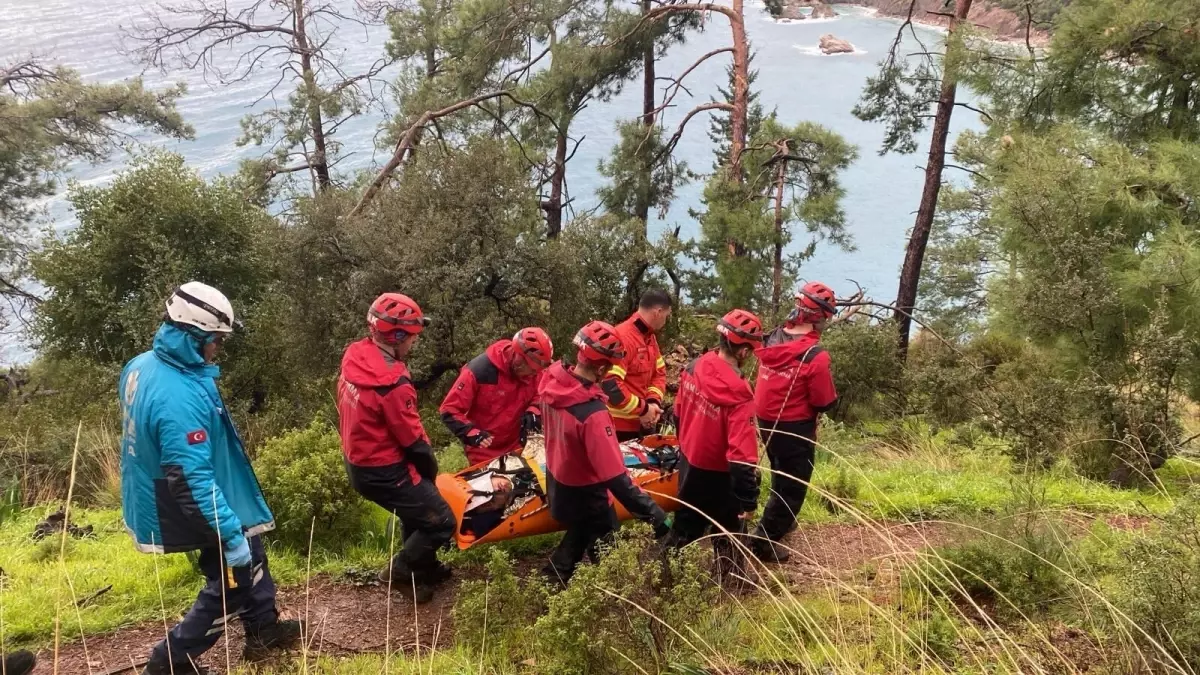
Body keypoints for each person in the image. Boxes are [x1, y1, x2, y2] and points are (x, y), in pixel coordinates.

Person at [119, 282, 302, 675]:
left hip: (161, 487)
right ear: (191, 336)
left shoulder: (143, 364)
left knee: (251, 548)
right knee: (234, 575)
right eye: (215, 339)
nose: (218, 347)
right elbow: (190, 477)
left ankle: (263, 628)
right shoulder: (176, 394)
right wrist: (230, 535)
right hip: (180, 496)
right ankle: (170, 661)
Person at [337, 292, 455, 604]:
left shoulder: (355, 357)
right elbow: (413, 440)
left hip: (359, 461)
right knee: (442, 521)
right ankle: (400, 571)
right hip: (384, 469)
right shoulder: (393, 383)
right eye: (412, 337)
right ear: (397, 335)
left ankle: (424, 570)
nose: (414, 343)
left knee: (415, 510)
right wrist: (430, 469)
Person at [541, 320, 670, 584]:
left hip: (559, 480)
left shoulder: (551, 382)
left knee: (579, 535)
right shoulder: (593, 413)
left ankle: (550, 580)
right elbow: (616, 478)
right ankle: (615, 605)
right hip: (589, 493)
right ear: (601, 367)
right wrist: (653, 514)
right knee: (610, 559)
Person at [666, 309, 764, 578]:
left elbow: (678, 412)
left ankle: (661, 577)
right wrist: (749, 499)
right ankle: (730, 582)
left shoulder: (694, 367)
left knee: (685, 525)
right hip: (720, 473)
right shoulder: (740, 395)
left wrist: (687, 443)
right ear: (743, 351)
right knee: (730, 528)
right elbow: (741, 456)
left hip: (690, 461)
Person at [750, 282, 839, 563]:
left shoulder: (772, 338)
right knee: (794, 485)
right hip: (794, 426)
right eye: (827, 316)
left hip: (765, 420)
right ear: (820, 317)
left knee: (780, 471)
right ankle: (764, 540)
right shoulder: (815, 356)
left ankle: (779, 522)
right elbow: (824, 401)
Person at [439, 327, 553, 465]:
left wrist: (534, 410)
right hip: (484, 451)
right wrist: (470, 432)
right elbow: (449, 409)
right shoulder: (479, 371)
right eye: (530, 369)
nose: (532, 375)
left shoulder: (535, 372)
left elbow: (541, 393)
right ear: (518, 357)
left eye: (536, 371)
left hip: (518, 447)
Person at [602, 290, 672, 442]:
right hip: (617, 428)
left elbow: (659, 373)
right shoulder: (624, 337)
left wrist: (653, 402)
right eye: (666, 316)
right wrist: (644, 409)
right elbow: (611, 386)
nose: (666, 321)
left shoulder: (649, 338)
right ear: (658, 312)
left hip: (642, 424)